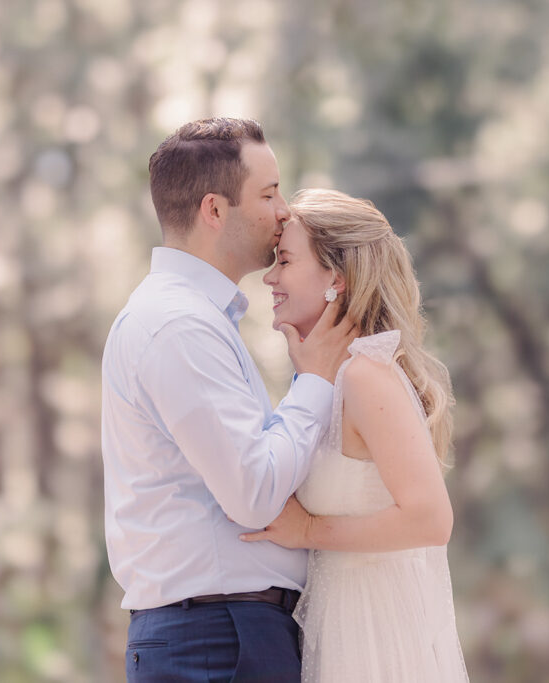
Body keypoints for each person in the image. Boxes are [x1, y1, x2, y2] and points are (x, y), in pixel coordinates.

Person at [101, 119, 357, 682]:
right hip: (218, 641)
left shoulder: (195, 321)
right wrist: (313, 381)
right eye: (268, 194)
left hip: (225, 634)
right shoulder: (177, 326)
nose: (284, 211)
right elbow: (255, 492)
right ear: (215, 210)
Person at [241, 188, 470, 682]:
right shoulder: (327, 379)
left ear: (336, 279)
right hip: (338, 622)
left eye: (284, 260)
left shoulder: (366, 377)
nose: (270, 277)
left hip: (374, 634)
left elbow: (431, 519)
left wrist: (309, 532)